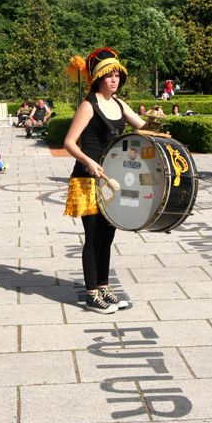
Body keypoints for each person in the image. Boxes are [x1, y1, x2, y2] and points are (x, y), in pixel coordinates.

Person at [64, 47, 146, 314]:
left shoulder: (120, 105)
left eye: (117, 75)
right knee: (93, 236)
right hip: (88, 179)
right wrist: (88, 161)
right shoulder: (89, 105)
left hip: (112, 180)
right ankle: (91, 294)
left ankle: (103, 287)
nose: (114, 80)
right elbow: (69, 142)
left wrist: (162, 126)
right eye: (109, 75)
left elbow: (143, 126)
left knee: (108, 236)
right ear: (98, 78)